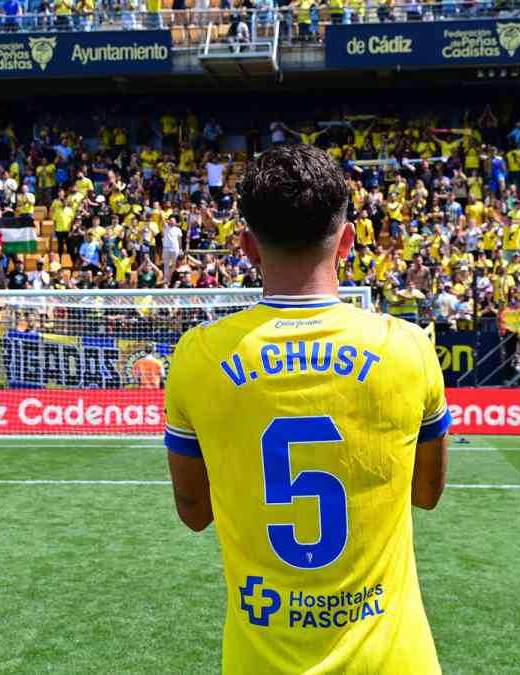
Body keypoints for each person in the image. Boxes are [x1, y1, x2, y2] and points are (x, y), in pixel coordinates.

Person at [164, 145, 448, 675]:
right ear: (348, 242)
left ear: (248, 247)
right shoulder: (407, 347)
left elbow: (194, 512)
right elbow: (426, 494)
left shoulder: (198, 356)